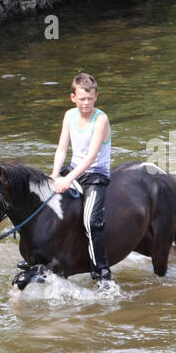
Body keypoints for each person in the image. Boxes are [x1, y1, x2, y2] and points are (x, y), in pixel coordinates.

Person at [51, 72, 113, 284]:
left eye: (90, 98)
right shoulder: (69, 115)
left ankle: (102, 271)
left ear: (96, 97)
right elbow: (61, 148)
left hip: (95, 174)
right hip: (74, 169)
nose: (86, 103)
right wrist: (54, 174)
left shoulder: (101, 119)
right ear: (73, 97)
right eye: (81, 98)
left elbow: (91, 157)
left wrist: (68, 180)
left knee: (90, 221)